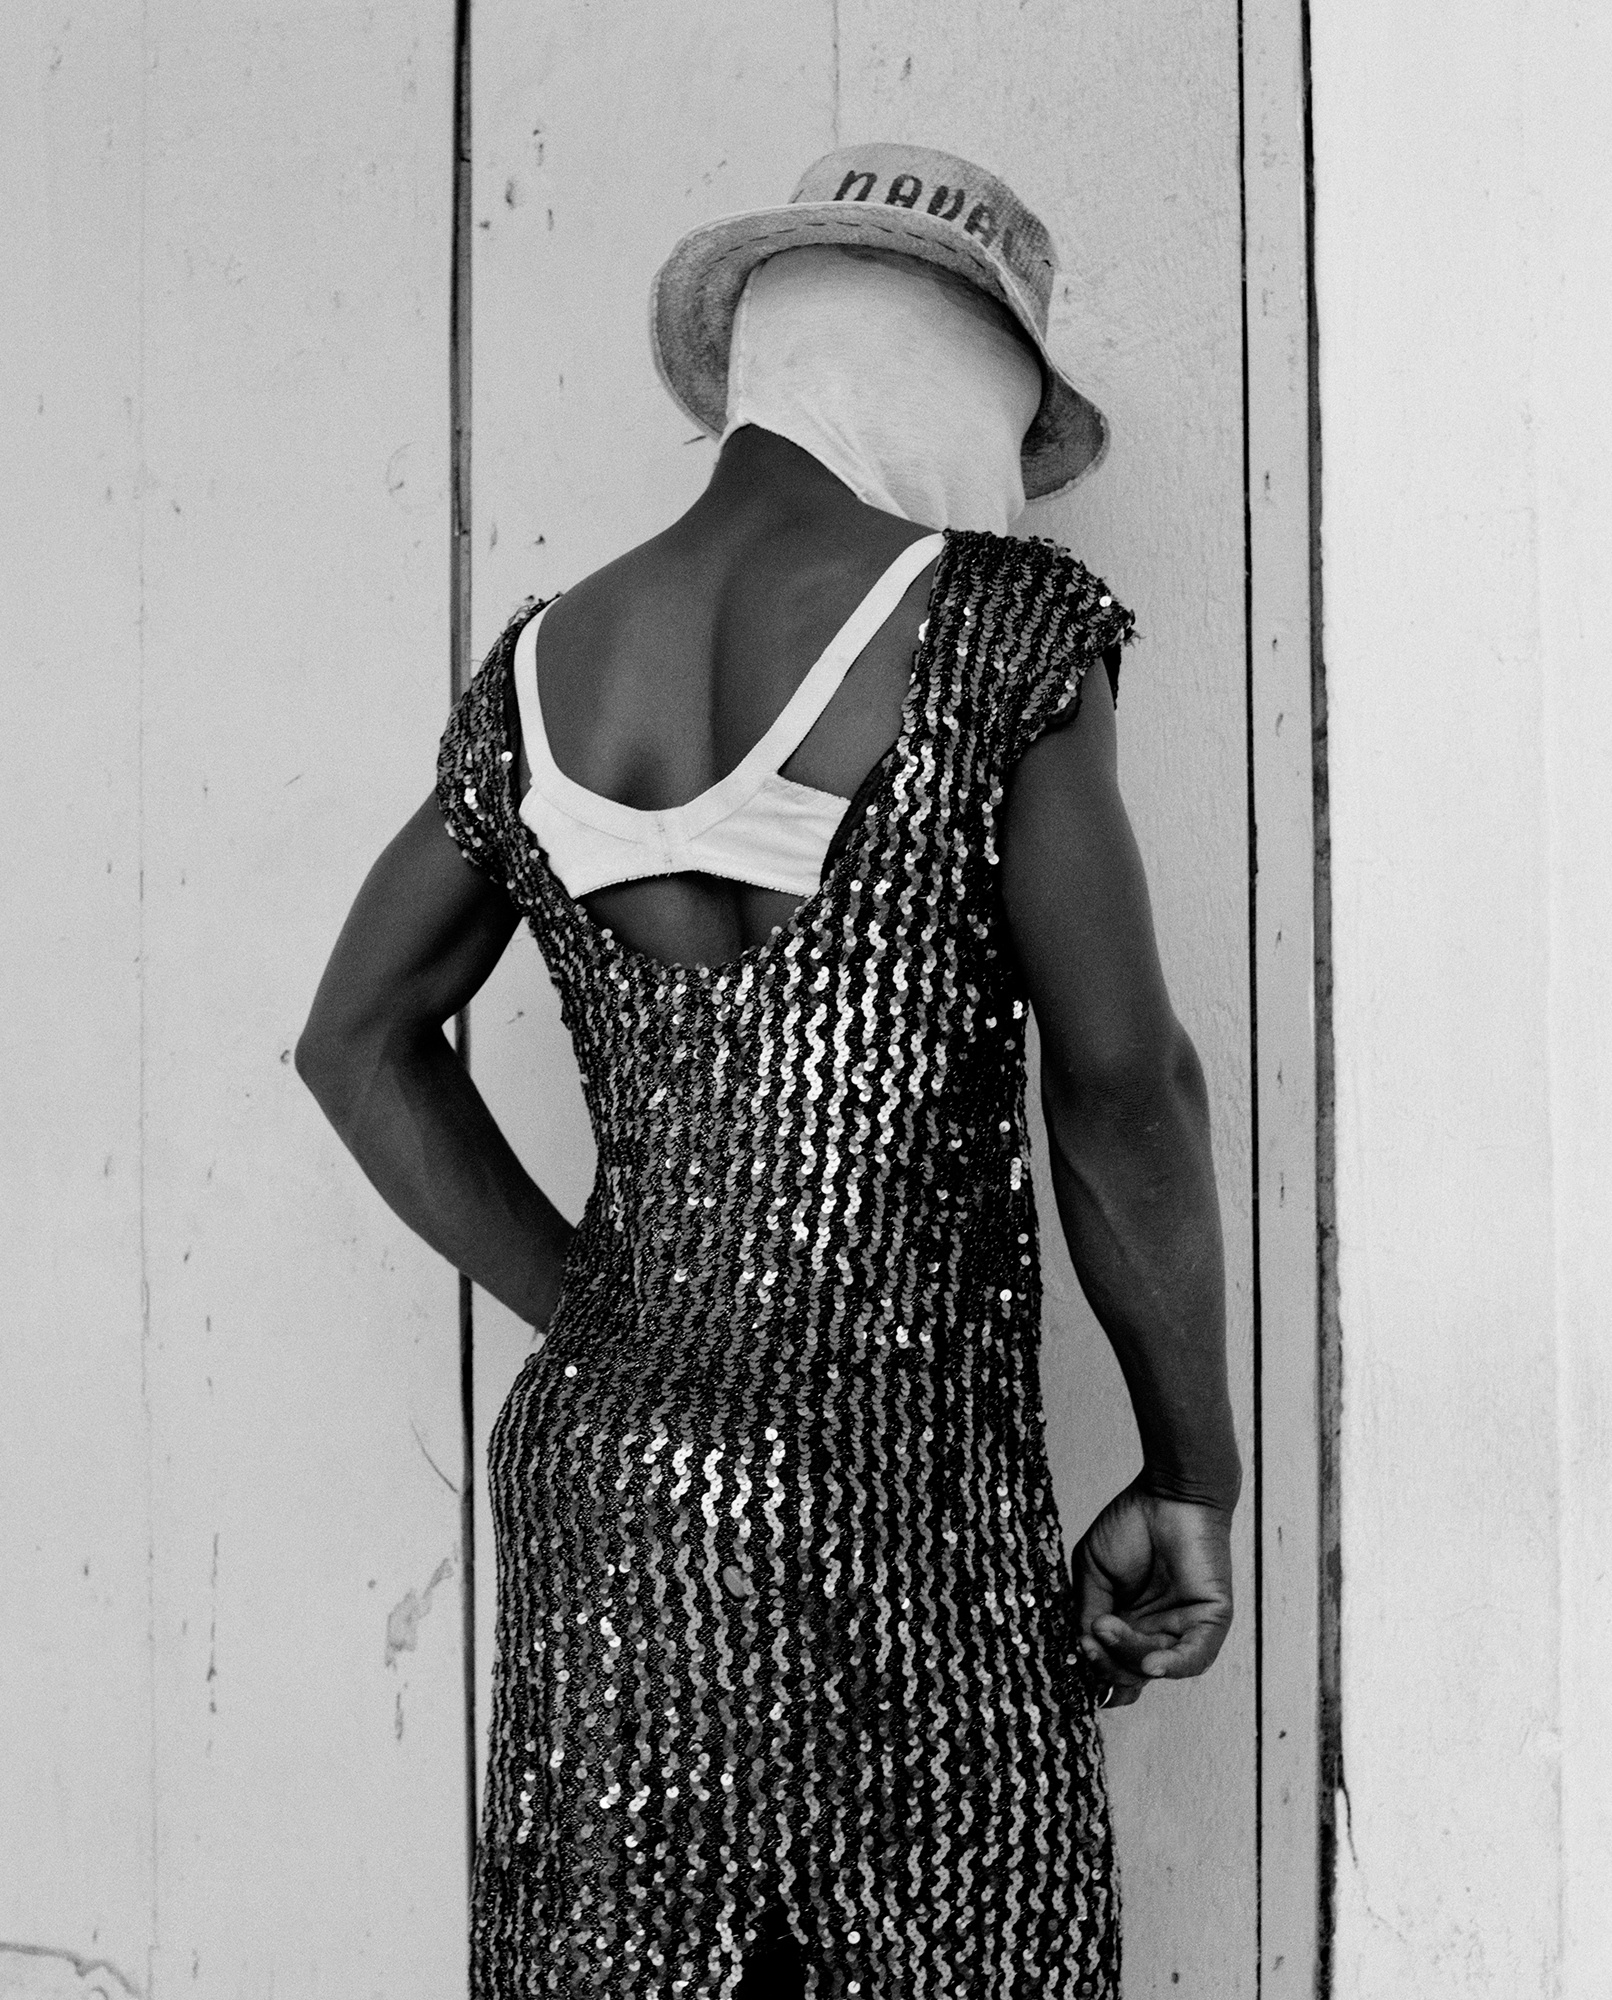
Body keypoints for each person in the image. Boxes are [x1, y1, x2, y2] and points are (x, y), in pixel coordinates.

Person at [300, 143, 1240, 2000]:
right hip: (905, 1507)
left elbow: (354, 1040)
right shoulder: (990, 629)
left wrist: (607, 1316)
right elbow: (1123, 1085)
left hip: (617, 1503)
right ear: (975, 373)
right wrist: (1189, 1462)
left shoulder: (540, 674)